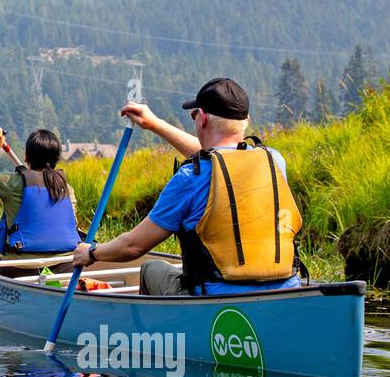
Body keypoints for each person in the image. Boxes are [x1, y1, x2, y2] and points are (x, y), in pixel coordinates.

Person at [71, 77, 303, 296]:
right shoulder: (274, 161)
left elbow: (133, 247)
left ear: (201, 118)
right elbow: (220, 158)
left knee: (151, 269)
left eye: (194, 116)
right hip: (285, 290)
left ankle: (159, 336)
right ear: (246, 121)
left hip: (213, 298)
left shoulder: (190, 178)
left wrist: (91, 253)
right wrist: (155, 125)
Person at [0, 127, 79, 255]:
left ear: (26, 156)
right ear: (57, 158)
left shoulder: (12, 182)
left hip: (21, 267)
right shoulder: (66, 188)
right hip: (65, 265)